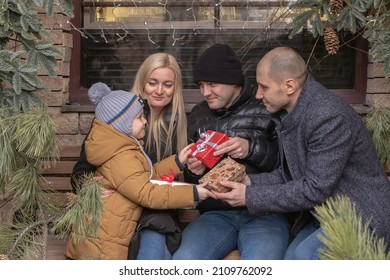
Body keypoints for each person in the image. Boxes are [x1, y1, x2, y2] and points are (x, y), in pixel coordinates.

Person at [211, 46, 390, 259]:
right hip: (325, 213)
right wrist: (249, 182)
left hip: (360, 217)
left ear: (289, 86)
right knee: (291, 259)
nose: (258, 95)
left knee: (300, 260)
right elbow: (292, 174)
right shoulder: (295, 111)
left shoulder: (327, 117)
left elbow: (314, 188)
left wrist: (249, 196)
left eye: (264, 87)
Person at [64, 83, 211, 260]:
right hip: (104, 245)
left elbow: (147, 174)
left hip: (110, 234)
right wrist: (194, 192)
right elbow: (147, 193)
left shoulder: (123, 147)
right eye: (140, 117)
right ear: (124, 124)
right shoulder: (121, 157)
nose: (145, 121)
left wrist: (177, 161)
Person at [172, 43, 290, 260]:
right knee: (184, 261)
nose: (205, 92)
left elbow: (288, 167)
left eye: (212, 84)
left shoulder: (267, 106)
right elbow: (192, 180)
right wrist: (194, 171)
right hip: (216, 213)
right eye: (200, 85)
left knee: (261, 263)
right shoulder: (199, 114)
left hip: (264, 212)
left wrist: (251, 148)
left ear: (233, 82)